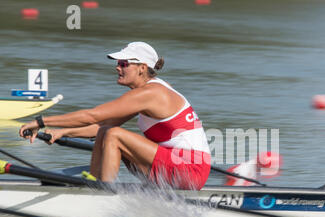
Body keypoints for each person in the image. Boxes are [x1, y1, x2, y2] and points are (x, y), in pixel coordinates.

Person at [19, 42, 211, 190]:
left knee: (113, 134)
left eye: (123, 63)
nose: (117, 68)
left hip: (190, 170)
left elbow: (91, 115)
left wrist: (41, 122)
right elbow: (100, 125)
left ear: (142, 68)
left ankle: (103, 192)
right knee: (106, 131)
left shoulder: (152, 94)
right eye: (118, 63)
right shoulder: (148, 91)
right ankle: (96, 184)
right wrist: (63, 132)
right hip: (176, 166)